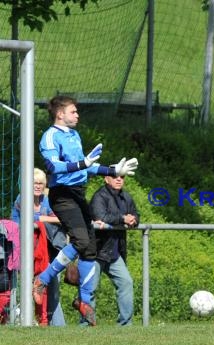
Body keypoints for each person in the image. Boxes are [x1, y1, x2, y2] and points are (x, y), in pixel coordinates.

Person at [33, 95, 138, 326]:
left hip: (78, 194)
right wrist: (83, 164)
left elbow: (86, 168)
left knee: (90, 249)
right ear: (60, 114)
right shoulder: (50, 136)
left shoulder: (74, 135)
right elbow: (53, 166)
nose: (77, 115)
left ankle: (83, 301)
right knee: (81, 241)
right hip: (63, 195)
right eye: (73, 111)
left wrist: (112, 169)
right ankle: (43, 279)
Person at [12, 167, 67, 326]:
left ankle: (56, 325)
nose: (38, 186)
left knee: (52, 287)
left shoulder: (48, 200)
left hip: (51, 249)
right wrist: (47, 218)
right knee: (28, 287)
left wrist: (40, 219)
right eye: (34, 183)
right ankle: (27, 320)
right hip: (27, 251)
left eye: (41, 183)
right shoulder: (21, 199)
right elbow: (21, 220)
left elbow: (61, 217)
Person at [89, 173, 139, 326]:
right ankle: (86, 325)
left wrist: (134, 220)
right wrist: (123, 218)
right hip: (96, 251)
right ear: (106, 179)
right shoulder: (99, 196)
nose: (119, 179)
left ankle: (125, 325)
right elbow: (100, 216)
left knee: (126, 283)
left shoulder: (126, 197)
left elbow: (136, 215)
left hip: (114, 252)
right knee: (89, 289)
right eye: (115, 176)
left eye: (122, 177)